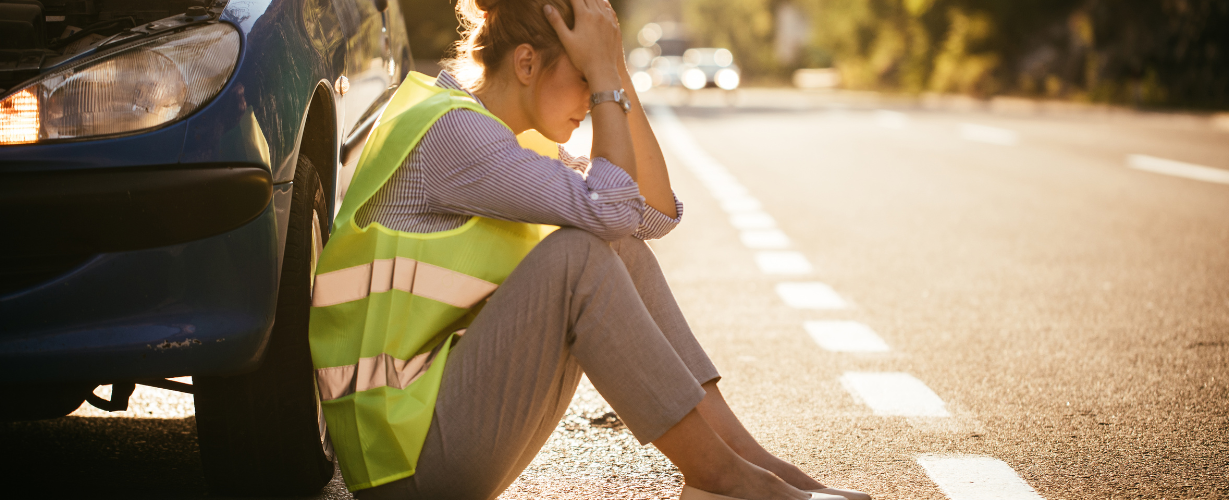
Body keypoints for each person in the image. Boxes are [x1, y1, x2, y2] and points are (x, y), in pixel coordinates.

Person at [308, 1, 873, 499]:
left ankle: (750, 469)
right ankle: (731, 480)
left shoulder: (508, 137)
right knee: (579, 257)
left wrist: (615, 70)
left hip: (432, 428)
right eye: (582, 78)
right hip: (404, 461)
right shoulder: (454, 135)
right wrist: (605, 75)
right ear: (526, 63)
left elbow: (648, 214)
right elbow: (612, 209)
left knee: (615, 248)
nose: (595, 99)